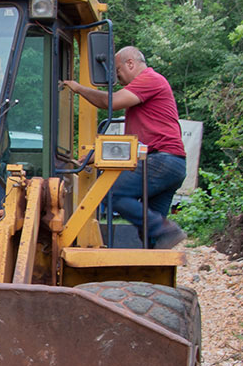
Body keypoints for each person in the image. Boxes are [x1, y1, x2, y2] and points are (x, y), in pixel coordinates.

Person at [60, 46, 187, 249]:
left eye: (118, 71)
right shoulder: (143, 100)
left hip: (162, 160)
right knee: (151, 235)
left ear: (130, 63)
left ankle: (169, 230)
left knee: (112, 193)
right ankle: (151, 266)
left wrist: (79, 88)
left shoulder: (150, 79)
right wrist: (96, 155)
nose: (117, 79)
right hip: (170, 163)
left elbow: (111, 102)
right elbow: (132, 146)